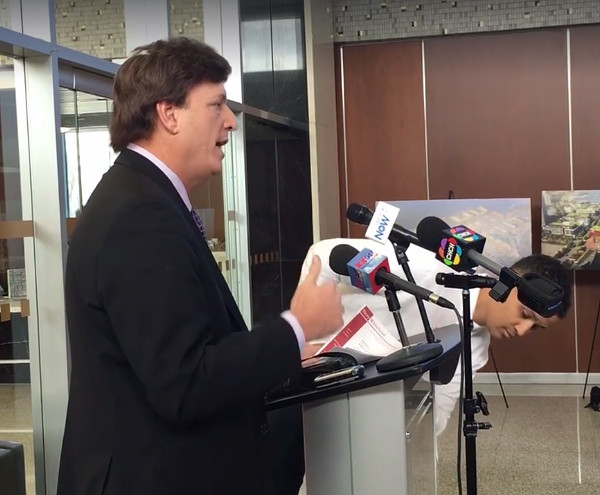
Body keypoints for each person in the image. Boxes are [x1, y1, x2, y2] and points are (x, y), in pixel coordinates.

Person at [56, 37, 344, 495]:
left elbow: (185, 349)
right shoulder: (139, 215)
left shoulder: (146, 197)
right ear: (169, 114)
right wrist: (297, 327)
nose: (230, 122)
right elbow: (184, 383)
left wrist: (287, 352)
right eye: (216, 105)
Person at [298, 238, 572, 435]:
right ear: (509, 282)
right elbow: (323, 255)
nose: (522, 331)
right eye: (525, 315)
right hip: (307, 379)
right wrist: (306, 331)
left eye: (536, 328)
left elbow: (436, 415)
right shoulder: (425, 269)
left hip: (357, 410)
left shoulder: (475, 351)